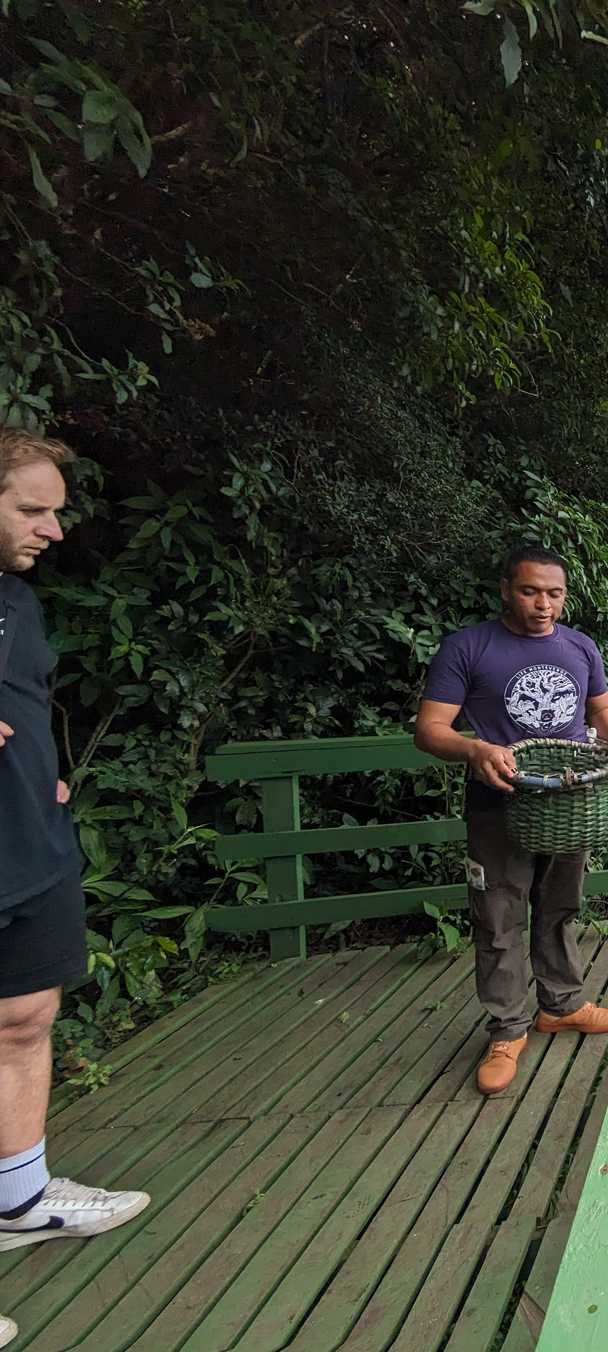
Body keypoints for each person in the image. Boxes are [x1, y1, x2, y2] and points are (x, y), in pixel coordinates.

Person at [0, 430, 149, 1348]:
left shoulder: (18, 601)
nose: (55, 529)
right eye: (32, 509)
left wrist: (44, 781)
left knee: (26, 1020)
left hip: (31, 849)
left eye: (56, 510)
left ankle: (18, 1196)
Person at [414, 544, 608, 1095]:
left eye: (554, 593)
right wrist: (474, 750)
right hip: (500, 804)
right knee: (498, 914)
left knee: (560, 905)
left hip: (568, 804)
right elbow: (429, 728)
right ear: (506, 590)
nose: (543, 604)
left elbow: (599, 710)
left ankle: (561, 1005)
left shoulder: (581, 647)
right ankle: (507, 1029)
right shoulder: (468, 647)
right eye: (530, 591)